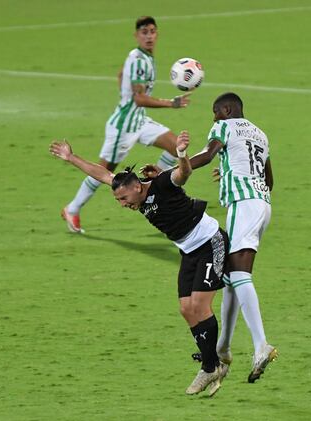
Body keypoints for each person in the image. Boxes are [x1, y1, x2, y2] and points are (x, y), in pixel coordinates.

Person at [49, 132, 229, 396]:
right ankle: (211, 362)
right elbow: (102, 174)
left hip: (209, 242)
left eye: (123, 199)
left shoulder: (162, 183)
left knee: (199, 306)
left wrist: (180, 154)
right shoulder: (133, 191)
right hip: (189, 250)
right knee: (185, 309)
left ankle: (210, 365)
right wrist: (71, 157)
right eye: (118, 201)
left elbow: (185, 173)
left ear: (137, 187)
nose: (122, 204)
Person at [142, 92, 277, 383]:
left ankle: (260, 344)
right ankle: (224, 348)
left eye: (215, 113)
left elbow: (205, 155)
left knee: (240, 275)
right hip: (262, 205)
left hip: (243, 204)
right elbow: (268, 180)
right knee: (230, 277)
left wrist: (166, 172)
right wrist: (231, 173)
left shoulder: (224, 127)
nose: (213, 118)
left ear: (226, 110)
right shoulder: (261, 134)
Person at [61, 16, 190, 234]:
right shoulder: (140, 60)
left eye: (152, 31)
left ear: (157, 34)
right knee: (105, 172)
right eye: (144, 32)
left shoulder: (139, 56)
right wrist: (172, 103)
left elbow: (121, 75)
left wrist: (124, 94)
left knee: (173, 145)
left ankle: (159, 189)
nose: (149, 36)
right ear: (136, 35)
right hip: (124, 126)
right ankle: (72, 209)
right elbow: (139, 98)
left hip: (139, 119)